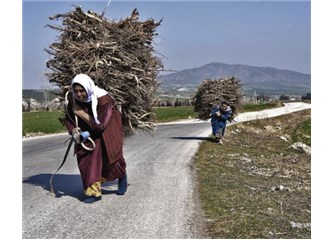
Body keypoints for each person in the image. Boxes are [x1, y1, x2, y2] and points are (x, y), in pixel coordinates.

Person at [64, 73, 127, 203]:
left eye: (82, 91)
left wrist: (80, 113)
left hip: (107, 130)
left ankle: (121, 176)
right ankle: (94, 192)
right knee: (86, 160)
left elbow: (101, 125)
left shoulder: (104, 100)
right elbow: (69, 119)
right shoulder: (73, 100)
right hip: (87, 133)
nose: (79, 94)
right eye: (76, 91)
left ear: (88, 88)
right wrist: (73, 130)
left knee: (110, 157)